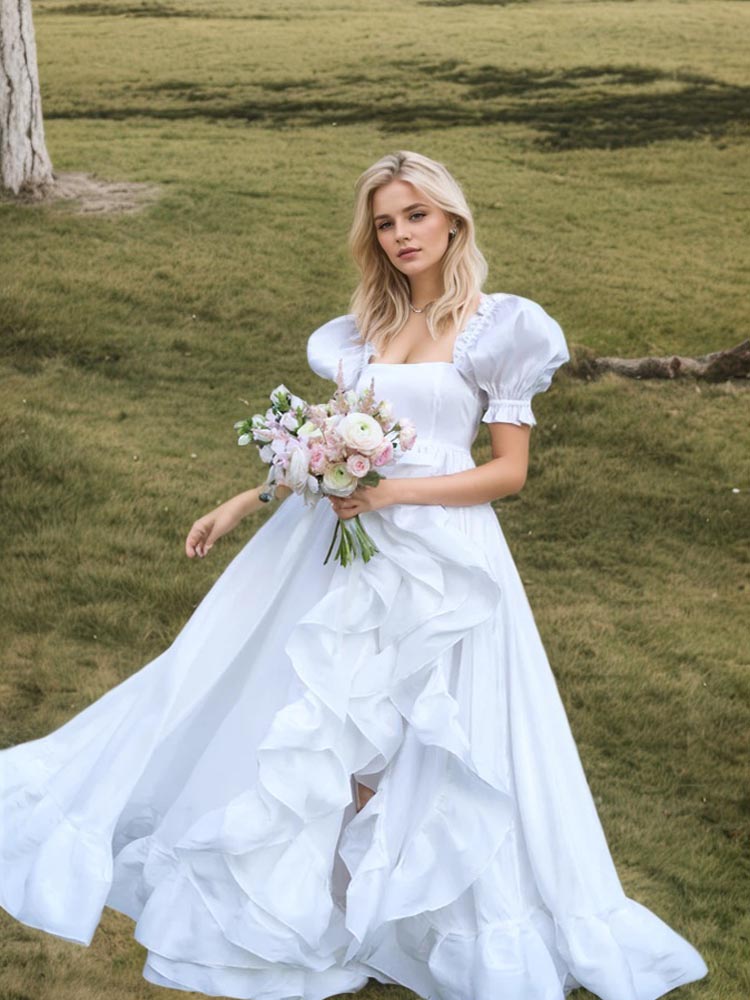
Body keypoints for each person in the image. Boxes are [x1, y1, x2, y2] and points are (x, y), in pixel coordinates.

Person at [0, 150, 708, 1000]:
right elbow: (327, 443)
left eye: (416, 215)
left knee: (424, 732)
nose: (402, 234)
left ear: (452, 220)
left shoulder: (498, 328)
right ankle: (331, 908)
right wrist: (244, 499)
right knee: (324, 723)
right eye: (385, 222)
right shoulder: (363, 328)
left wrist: (393, 492)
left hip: (441, 560)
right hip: (337, 548)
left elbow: (508, 472)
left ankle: (410, 913)